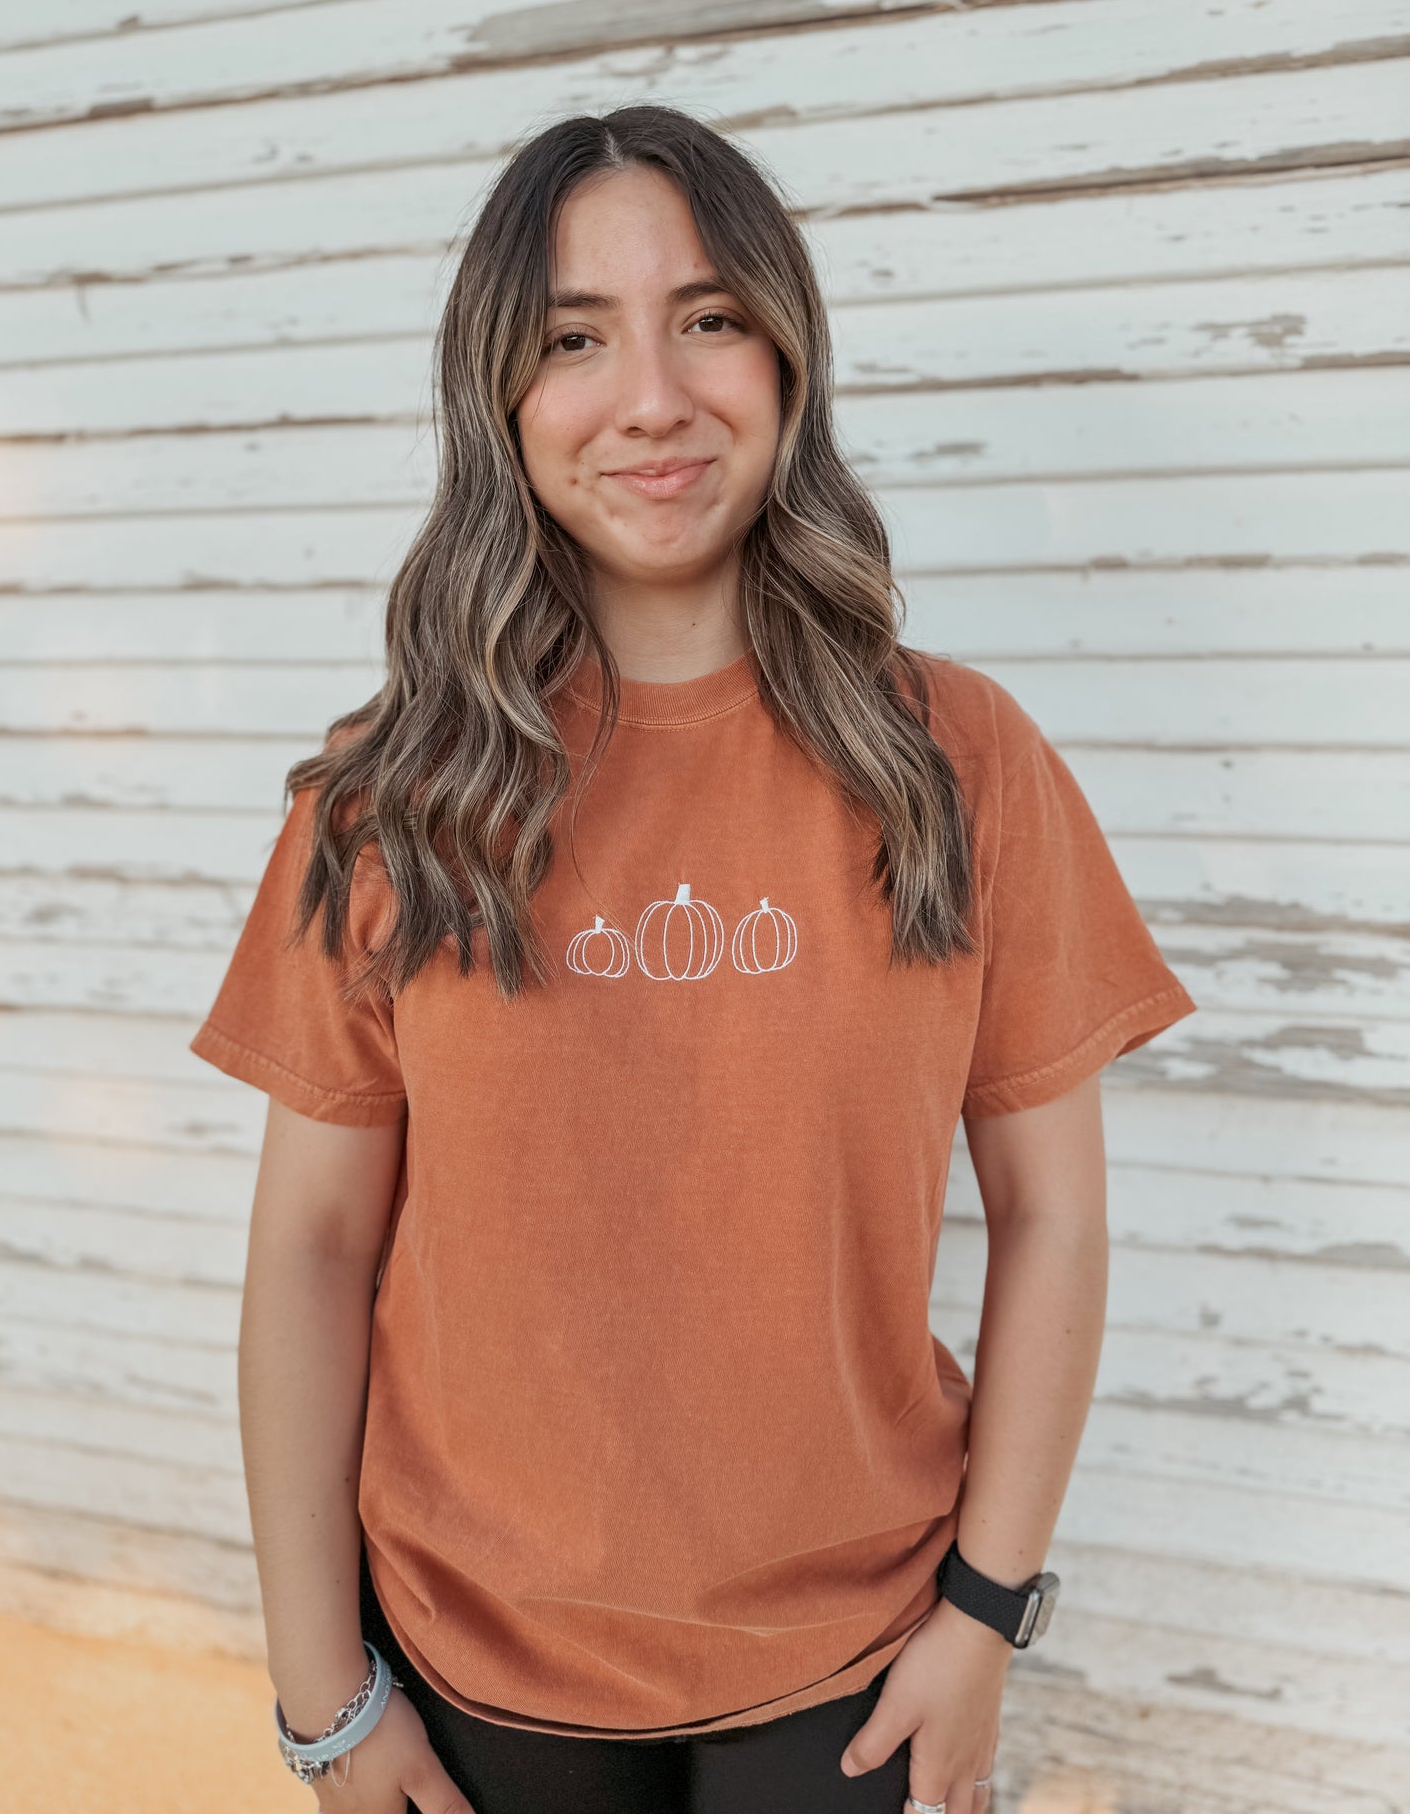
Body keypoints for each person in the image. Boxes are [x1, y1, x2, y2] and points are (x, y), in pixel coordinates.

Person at [189, 103, 1197, 1814]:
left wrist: (984, 1616)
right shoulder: (393, 795)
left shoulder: (954, 756)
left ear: (786, 358)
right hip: (469, 1651)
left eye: (709, 317)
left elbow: (1054, 1212)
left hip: (858, 1654)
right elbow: (308, 1248)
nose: (651, 397)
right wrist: (323, 1699)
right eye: (574, 338)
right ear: (500, 397)